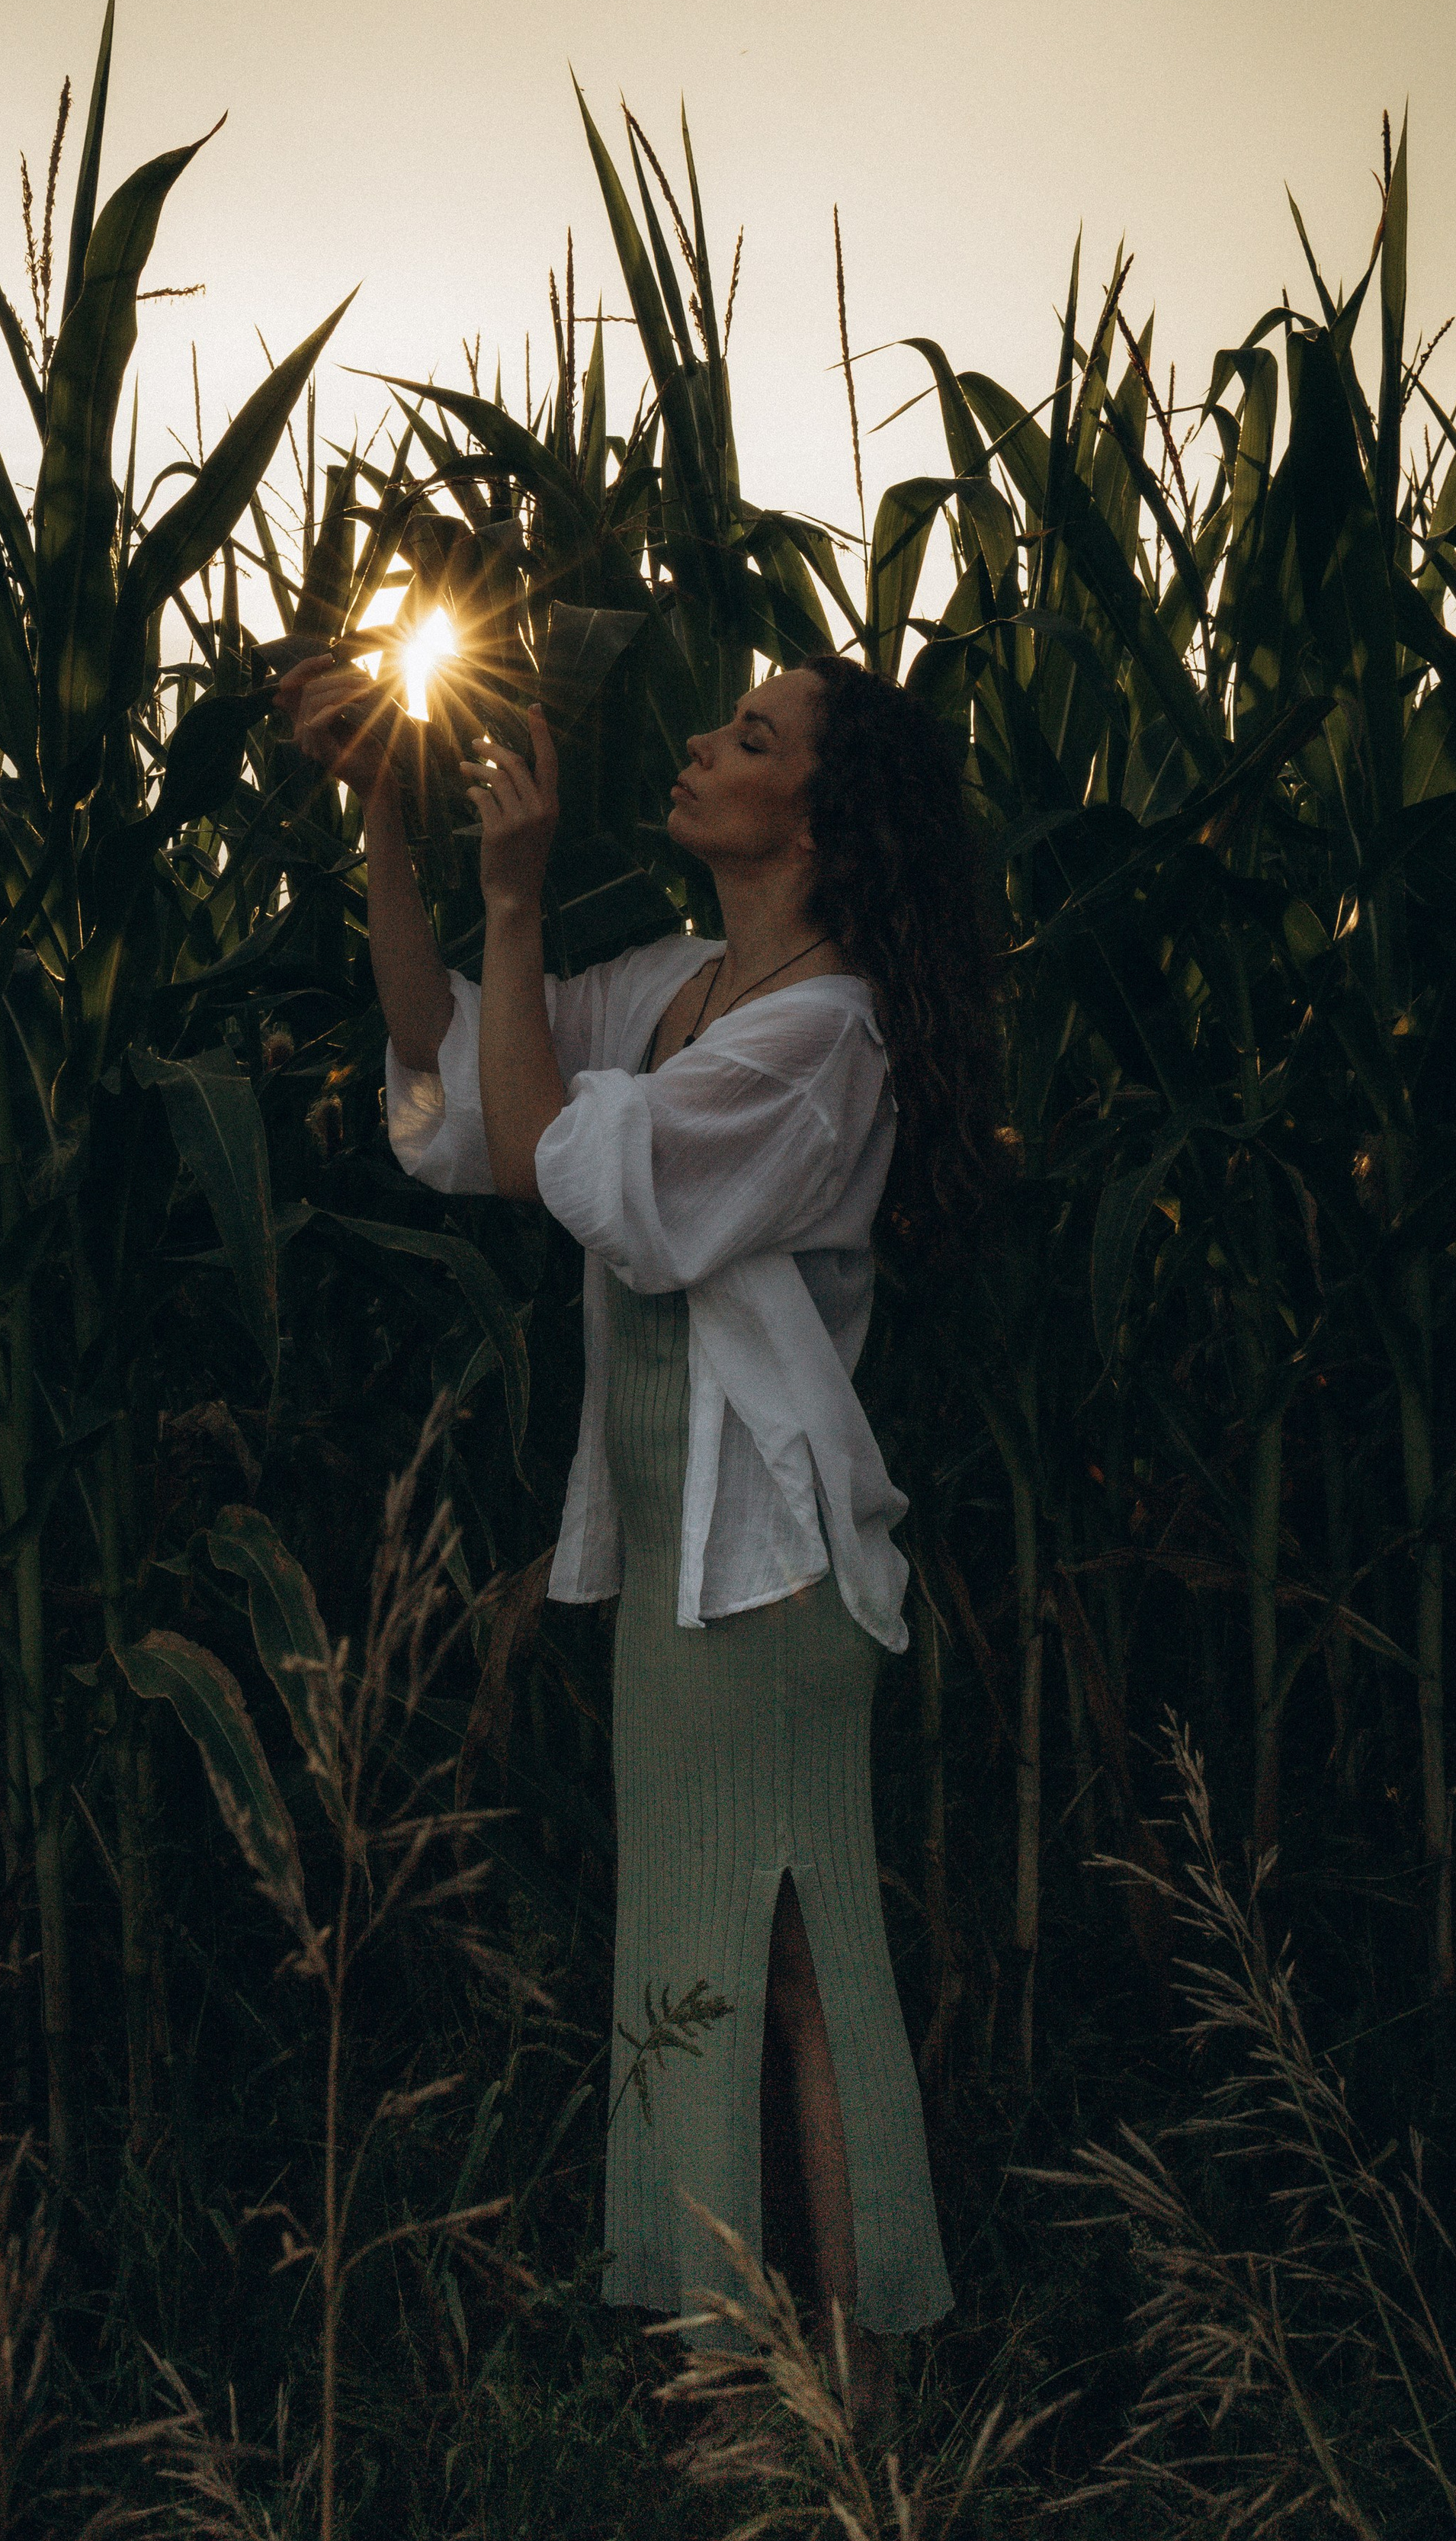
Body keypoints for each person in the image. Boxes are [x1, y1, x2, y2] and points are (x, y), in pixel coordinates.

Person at [278, 643, 1004, 2421]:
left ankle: (834, 2382)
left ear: (818, 823)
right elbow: (449, 1067)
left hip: (768, 1569)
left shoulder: (820, 1037)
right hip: (684, 1565)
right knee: (720, 1944)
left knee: (793, 1944)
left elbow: (546, 1160)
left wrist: (517, 894)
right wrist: (384, 817)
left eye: (748, 734)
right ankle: (783, 2383)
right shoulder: (685, 988)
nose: (700, 737)